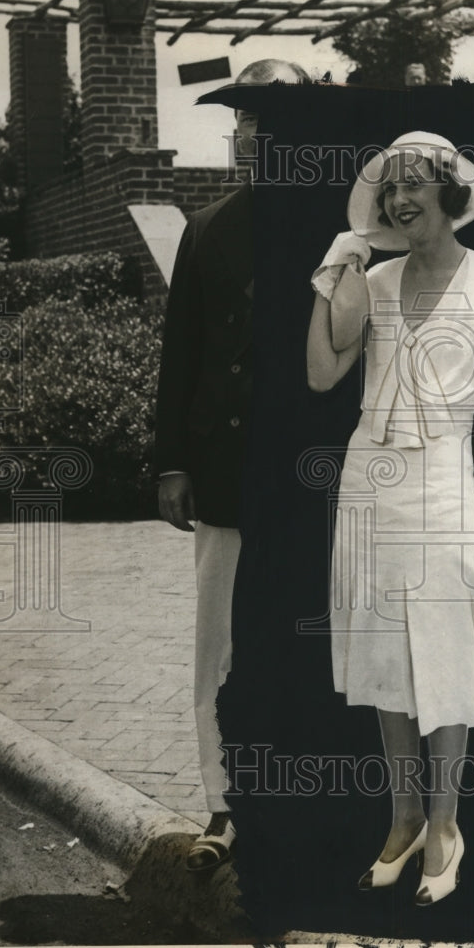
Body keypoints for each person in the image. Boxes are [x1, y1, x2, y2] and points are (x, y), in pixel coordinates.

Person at [306, 131, 474, 905]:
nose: (398, 200)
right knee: (385, 659)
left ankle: (445, 827)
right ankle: (403, 817)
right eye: (388, 190)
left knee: (446, 659)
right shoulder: (372, 282)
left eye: (413, 184)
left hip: (444, 485)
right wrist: (333, 274)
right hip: (367, 485)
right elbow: (321, 374)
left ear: (449, 193)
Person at [155, 57, 308, 872]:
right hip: (222, 474)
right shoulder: (206, 227)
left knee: (301, 646)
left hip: (307, 486)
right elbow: (181, 354)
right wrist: (172, 461)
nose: (257, 131)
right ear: (237, 133)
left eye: (274, 115)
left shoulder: (342, 228)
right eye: (246, 118)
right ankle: (224, 808)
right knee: (219, 648)